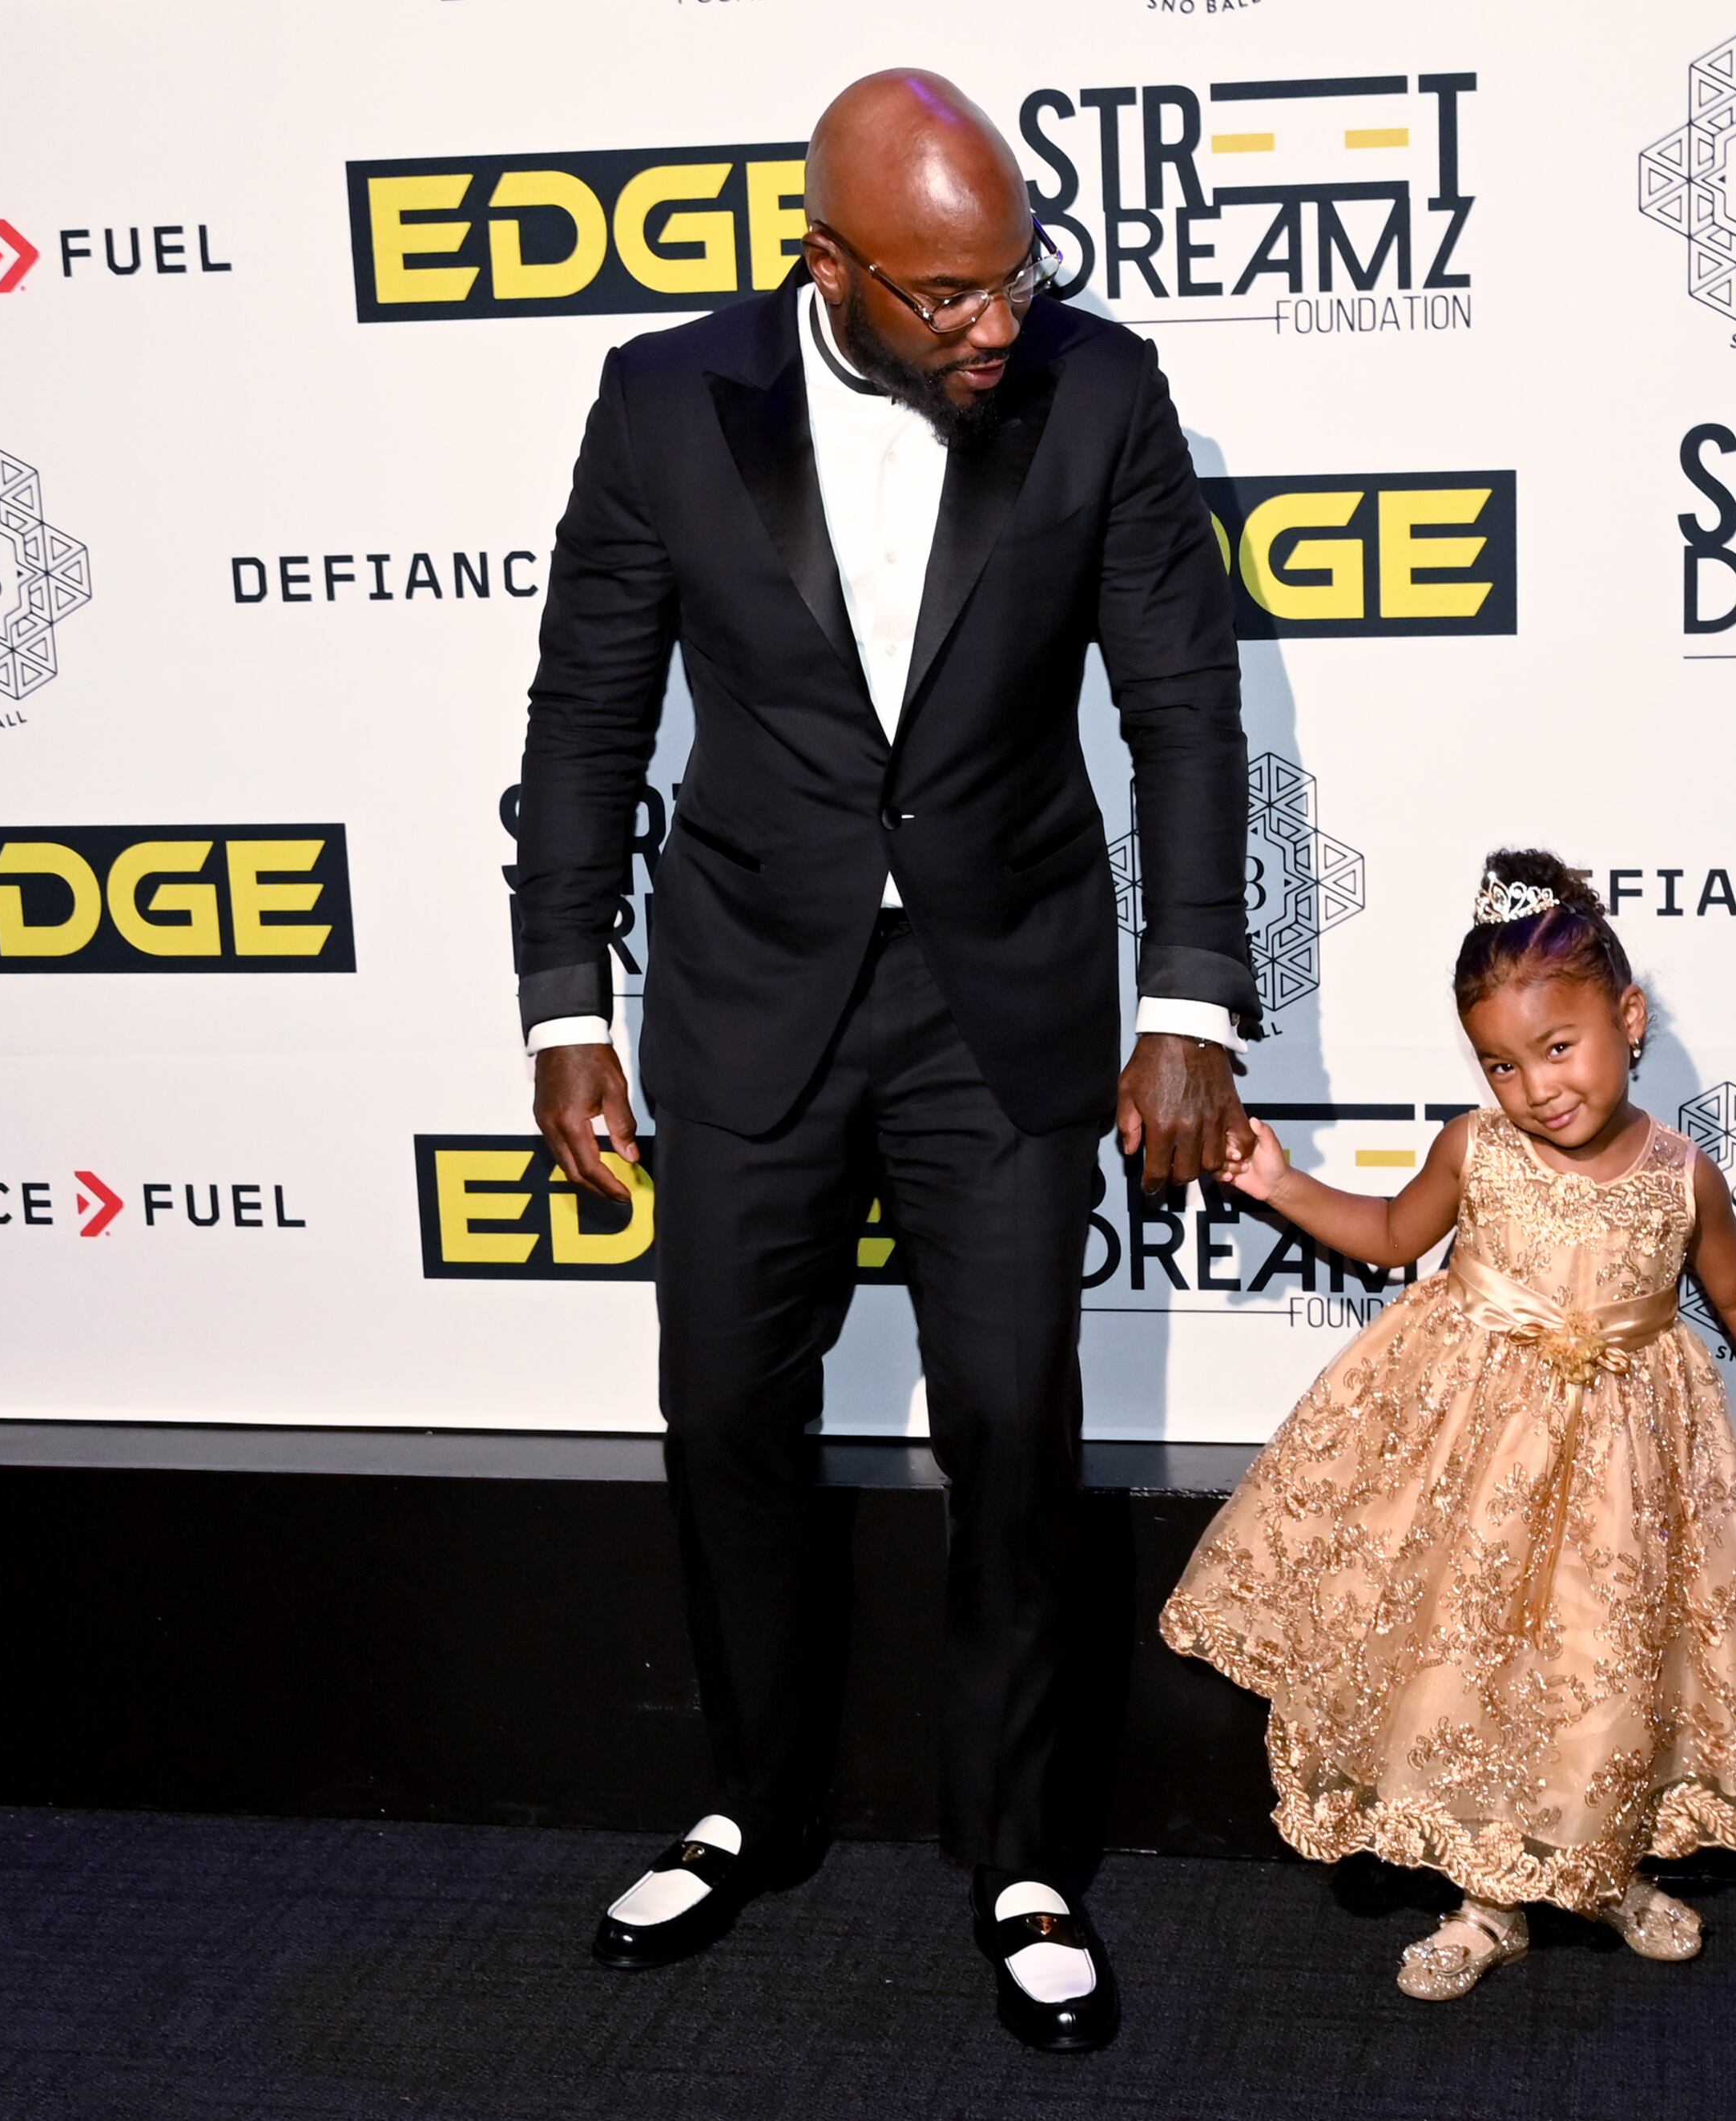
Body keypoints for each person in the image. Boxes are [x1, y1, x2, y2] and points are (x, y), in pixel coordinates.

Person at [511, 69, 1258, 2053]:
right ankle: (751, 1802)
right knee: (725, 1415)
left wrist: (1186, 996)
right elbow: (590, 708)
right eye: (947, 298)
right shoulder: (669, 402)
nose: (998, 323)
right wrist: (564, 1002)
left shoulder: (1101, 390)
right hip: (751, 988)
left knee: (1013, 1422)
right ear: (824, 265)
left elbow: (1184, 698)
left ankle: (1020, 1851)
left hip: (1000, 996)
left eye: (1016, 277)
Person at [1160, 850, 1736, 2000]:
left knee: (1614, 1667)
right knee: (1479, 1672)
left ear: (1629, 1019)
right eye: (1504, 1063)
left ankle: (1606, 1869)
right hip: (1482, 1471)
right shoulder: (1476, 1149)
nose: (1538, 1087)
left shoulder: (1681, 1173)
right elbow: (1397, 1234)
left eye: (1559, 1049)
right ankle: (1486, 1900)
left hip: (1630, 1477)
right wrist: (1277, 1184)